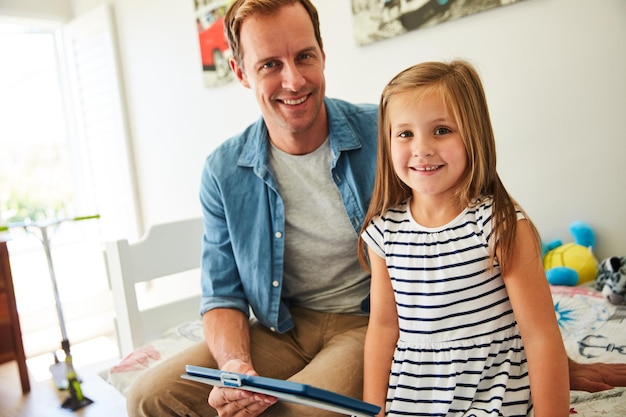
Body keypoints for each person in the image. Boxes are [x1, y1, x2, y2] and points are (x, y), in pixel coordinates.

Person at [125, 1, 626, 417]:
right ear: (239, 71)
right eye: (270, 64)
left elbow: (482, 212)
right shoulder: (223, 170)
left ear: (323, 54)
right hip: (280, 326)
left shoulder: (389, 129)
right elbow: (222, 293)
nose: (294, 80)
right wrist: (235, 365)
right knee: (149, 397)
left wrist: (555, 367)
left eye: (304, 56)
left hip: (363, 322)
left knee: (294, 413)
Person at [359, 60, 569, 416]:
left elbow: (540, 335)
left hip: (491, 392)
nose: (421, 148)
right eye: (405, 133)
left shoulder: (499, 224)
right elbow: (382, 328)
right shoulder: (385, 233)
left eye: (441, 130)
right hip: (415, 395)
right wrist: (372, 409)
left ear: (473, 134)